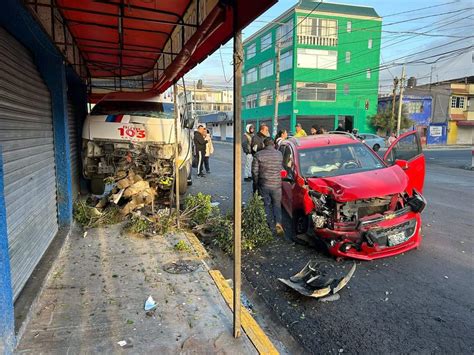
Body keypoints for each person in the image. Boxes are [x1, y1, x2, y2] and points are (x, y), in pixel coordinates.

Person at [252, 137, 284, 236]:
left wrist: (256, 183)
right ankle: (278, 223)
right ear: (273, 144)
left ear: (264, 145)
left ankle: (269, 226)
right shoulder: (279, 154)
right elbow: (280, 168)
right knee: (277, 205)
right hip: (277, 185)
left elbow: (254, 171)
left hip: (264, 184)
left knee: (266, 204)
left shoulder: (258, 155)